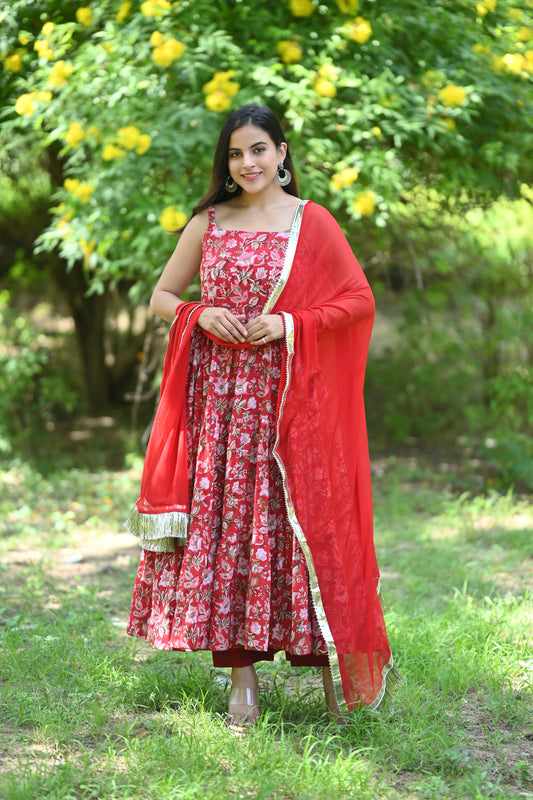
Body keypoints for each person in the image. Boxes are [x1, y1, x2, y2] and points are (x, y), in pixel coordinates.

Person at [126, 104, 397, 726]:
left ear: (282, 152)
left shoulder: (312, 223)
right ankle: (239, 675)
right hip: (219, 404)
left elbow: (358, 300)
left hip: (289, 404)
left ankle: (329, 668)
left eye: (258, 150)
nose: (247, 164)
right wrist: (199, 314)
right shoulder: (209, 223)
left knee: (299, 527)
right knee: (231, 531)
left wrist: (287, 322)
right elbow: (160, 296)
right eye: (235, 154)